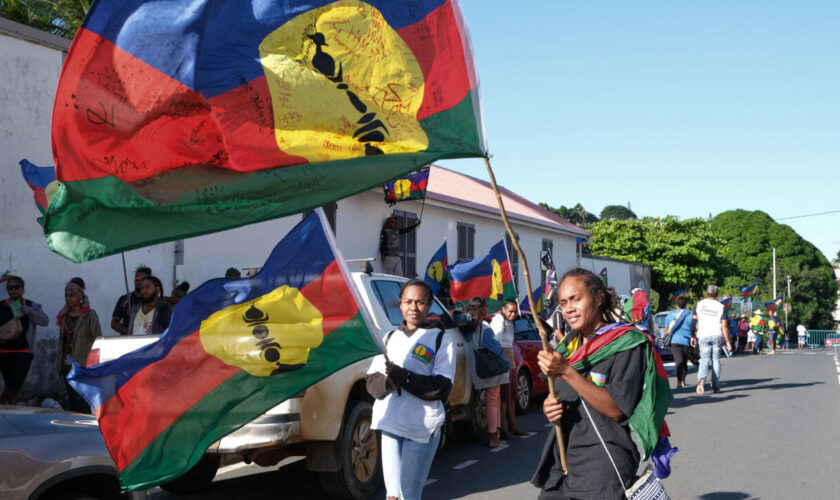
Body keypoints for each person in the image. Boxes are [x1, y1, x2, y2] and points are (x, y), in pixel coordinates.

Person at [532, 268, 656, 499]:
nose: (568, 308)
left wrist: (567, 372)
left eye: (576, 299)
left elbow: (617, 409)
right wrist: (550, 408)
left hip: (602, 466)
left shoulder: (626, 344)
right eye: (563, 302)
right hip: (564, 462)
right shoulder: (569, 347)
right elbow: (568, 398)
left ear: (598, 298)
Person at [365, 279, 454, 500]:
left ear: (430, 305)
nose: (414, 307)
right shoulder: (389, 338)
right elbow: (372, 383)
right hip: (391, 424)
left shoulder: (441, 339)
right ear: (401, 304)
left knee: (410, 494)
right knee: (393, 496)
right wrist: (389, 382)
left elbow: (440, 388)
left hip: (421, 429)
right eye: (408, 302)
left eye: (420, 302)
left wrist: (401, 377)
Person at [461, 297, 508, 447]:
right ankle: (494, 437)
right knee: (494, 401)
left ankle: (494, 434)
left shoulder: (469, 326)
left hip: (476, 368)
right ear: (482, 309)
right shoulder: (485, 327)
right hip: (490, 369)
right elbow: (495, 349)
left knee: (487, 401)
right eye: (486, 306)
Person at [0, 276, 48, 404]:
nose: (13, 290)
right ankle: (11, 416)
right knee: (12, 388)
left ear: (23, 288)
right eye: (10, 288)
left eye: (16, 287)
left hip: (23, 352)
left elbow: (45, 321)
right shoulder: (1, 306)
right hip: (4, 352)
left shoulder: (32, 305)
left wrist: (28, 311)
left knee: (14, 385)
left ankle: (1, 404)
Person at [58, 280, 101, 413]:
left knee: (82, 400)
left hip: (82, 364)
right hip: (66, 364)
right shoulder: (64, 317)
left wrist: (94, 365)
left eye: (72, 295)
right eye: (66, 295)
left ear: (80, 296)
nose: (68, 298)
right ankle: (74, 428)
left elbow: (97, 339)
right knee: (72, 400)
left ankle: (83, 428)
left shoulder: (90, 316)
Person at [489, 299, 527, 438]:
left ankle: (513, 426)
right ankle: (503, 429)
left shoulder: (510, 323)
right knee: (504, 397)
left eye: (515, 311)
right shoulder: (498, 320)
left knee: (512, 396)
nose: (513, 314)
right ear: (503, 310)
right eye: (510, 311)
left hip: (510, 359)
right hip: (502, 360)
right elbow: (496, 341)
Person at [691, 285, 733, 394]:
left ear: (706, 293)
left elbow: (694, 322)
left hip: (703, 335)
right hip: (716, 335)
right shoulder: (721, 306)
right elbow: (724, 326)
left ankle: (701, 382)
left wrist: (692, 336)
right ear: (717, 294)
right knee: (716, 360)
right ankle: (715, 385)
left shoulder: (699, 304)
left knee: (704, 359)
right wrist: (728, 342)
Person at [112, 265, 151, 335]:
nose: (140, 282)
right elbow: (114, 323)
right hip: (128, 342)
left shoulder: (154, 300)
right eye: (137, 279)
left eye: (143, 279)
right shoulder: (125, 300)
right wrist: (128, 332)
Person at [664, 297, 693, 389]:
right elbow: (695, 328)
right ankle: (682, 381)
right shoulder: (690, 314)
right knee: (684, 361)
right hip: (687, 341)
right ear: (686, 304)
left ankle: (679, 381)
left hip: (674, 341)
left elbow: (666, 330)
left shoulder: (670, 314)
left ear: (677, 305)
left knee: (678, 361)